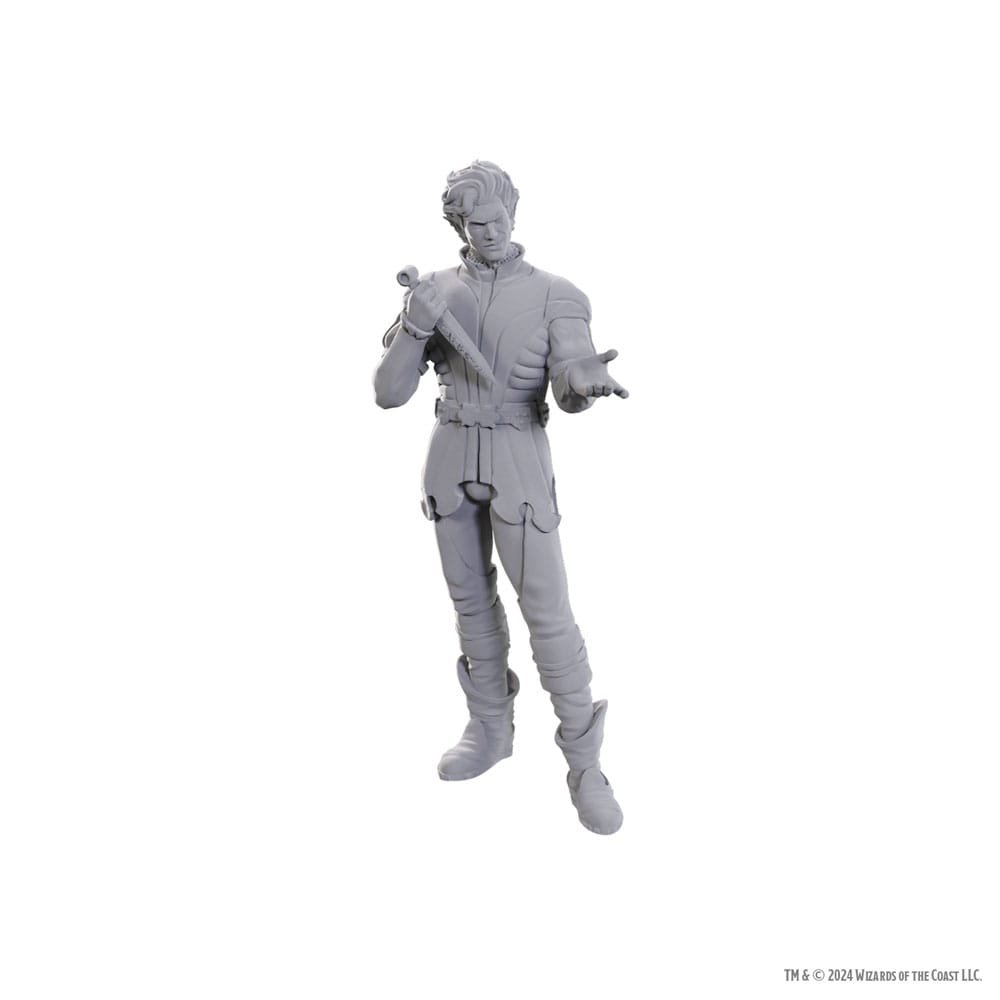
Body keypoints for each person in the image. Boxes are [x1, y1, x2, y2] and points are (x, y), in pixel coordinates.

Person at [374, 161, 627, 834]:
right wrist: (414, 325)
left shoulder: (557, 295)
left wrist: (583, 385)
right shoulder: (434, 291)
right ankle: (489, 726)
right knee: (470, 603)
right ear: (457, 226)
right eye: (474, 223)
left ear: (514, 214)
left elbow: (569, 382)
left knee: (548, 611)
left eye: (498, 219)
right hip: (451, 453)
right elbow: (388, 393)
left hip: (518, 454)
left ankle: (585, 764)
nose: (488, 232)